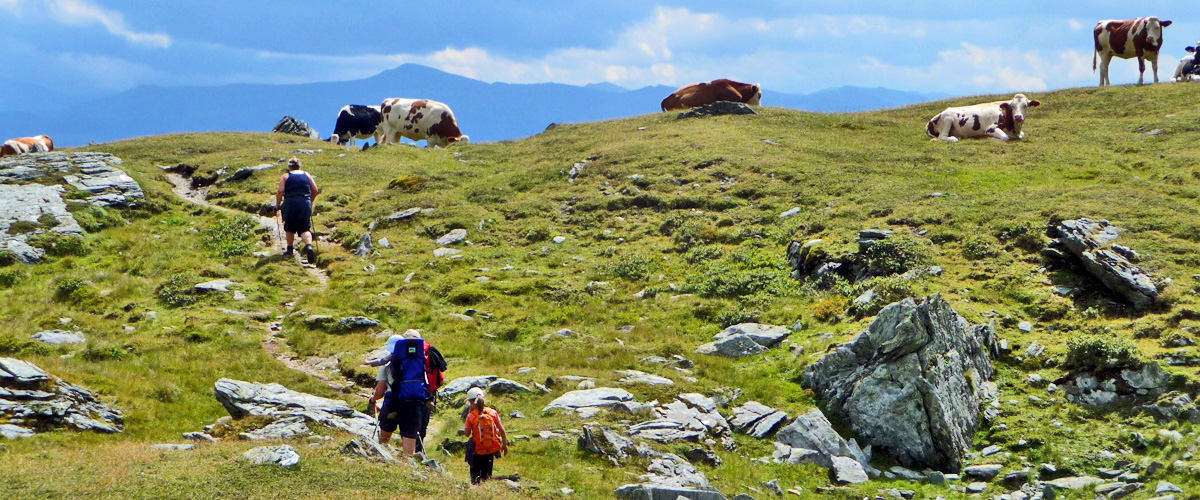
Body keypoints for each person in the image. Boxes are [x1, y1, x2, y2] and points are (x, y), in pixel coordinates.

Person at [366, 329, 446, 455]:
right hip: (414, 404)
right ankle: (409, 466)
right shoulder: (422, 362)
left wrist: (373, 399)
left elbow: (380, 390)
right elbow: (435, 383)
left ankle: (383, 461)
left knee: (384, 441)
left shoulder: (387, 365)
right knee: (409, 440)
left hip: (393, 403)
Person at [274, 157, 320, 263]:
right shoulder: (307, 175)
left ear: (289, 167)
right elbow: (315, 190)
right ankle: (309, 247)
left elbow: (281, 191)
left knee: (289, 226)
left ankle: (289, 250)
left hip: (290, 203)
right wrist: (310, 201)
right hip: (305, 203)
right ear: (299, 166)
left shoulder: (286, 176)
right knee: (305, 227)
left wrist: (277, 205)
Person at [464, 387, 508, 484]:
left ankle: (475, 489)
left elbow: (467, 434)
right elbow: (502, 431)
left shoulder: (471, 416)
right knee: (487, 476)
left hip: (477, 450)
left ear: (471, 402)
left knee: (475, 477)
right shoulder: (492, 412)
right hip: (491, 448)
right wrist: (504, 445)